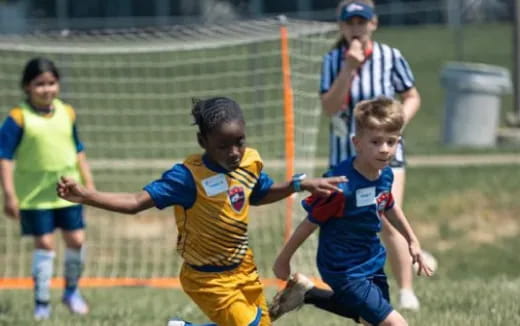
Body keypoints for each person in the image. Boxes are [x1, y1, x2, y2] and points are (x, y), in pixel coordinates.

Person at [56, 96, 347, 326]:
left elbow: (259, 194)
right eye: (223, 146)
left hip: (243, 268)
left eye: (240, 142)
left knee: (261, 322)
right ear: (203, 143)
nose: (234, 152)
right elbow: (135, 202)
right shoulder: (187, 177)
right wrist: (87, 195)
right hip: (207, 278)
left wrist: (299, 184)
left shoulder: (250, 162)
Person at [271, 97, 433, 325]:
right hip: (343, 267)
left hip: (371, 259)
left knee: (370, 319)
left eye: (391, 141)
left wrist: (412, 241)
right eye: (376, 142)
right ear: (357, 143)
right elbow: (310, 223)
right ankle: (308, 292)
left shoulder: (385, 174)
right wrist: (283, 259)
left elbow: (389, 205)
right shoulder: (340, 186)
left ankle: (307, 292)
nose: (385, 149)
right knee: (395, 323)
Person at [319, 0, 429, 310]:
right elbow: (329, 107)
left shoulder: (390, 57)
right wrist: (348, 69)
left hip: (386, 156)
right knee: (345, 222)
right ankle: (353, 283)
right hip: (345, 155)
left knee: (386, 214)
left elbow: (411, 95)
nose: (357, 27)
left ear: (374, 23)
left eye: (362, 21)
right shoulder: (333, 60)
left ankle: (406, 290)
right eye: (350, 21)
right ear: (341, 26)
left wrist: (394, 129)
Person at [0, 57, 94, 320]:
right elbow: (4, 156)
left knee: (76, 240)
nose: (47, 89)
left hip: (69, 191)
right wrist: (9, 194)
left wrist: (89, 184)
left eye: (52, 83)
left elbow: (78, 150)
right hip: (35, 196)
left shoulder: (67, 112)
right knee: (45, 244)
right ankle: (42, 302)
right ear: (27, 87)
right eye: (40, 84)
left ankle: (71, 293)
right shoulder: (18, 117)